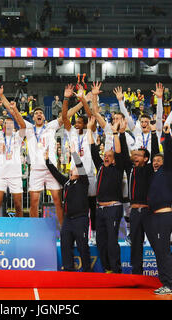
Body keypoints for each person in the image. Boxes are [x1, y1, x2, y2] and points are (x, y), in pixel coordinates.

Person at [23, 90, 82, 225]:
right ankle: (34, 230)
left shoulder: (50, 126)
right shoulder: (29, 128)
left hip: (51, 170)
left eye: (41, 113)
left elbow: (67, 115)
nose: (39, 114)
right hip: (36, 170)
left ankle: (63, 231)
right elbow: (15, 115)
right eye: (36, 113)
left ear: (44, 117)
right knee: (33, 202)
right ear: (33, 118)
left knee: (57, 201)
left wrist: (80, 103)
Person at [88, 116, 127, 274]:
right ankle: (108, 269)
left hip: (113, 208)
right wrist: (90, 130)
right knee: (101, 241)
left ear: (114, 160)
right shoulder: (101, 167)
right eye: (105, 155)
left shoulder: (118, 168)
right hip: (100, 210)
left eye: (109, 156)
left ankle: (116, 270)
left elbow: (119, 152)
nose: (105, 157)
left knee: (112, 241)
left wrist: (116, 134)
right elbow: (92, 150)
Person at [122, 121, 160, 275]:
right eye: (135, 154)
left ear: (146, 159)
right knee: (135, 245)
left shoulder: (150, 169)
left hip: (148, 212)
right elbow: (124, 153)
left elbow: (156, 151)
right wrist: (121, 134)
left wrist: (152, 133)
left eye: (139, 155)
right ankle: (136, 273)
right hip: (135, 213)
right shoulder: (130, 169)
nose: (135, 156)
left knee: (158, 244)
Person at [45, 143, 91, 272]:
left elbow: (81, 167)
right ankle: (68, 269)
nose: (73, 170)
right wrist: (47, 160)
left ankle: (87, 271)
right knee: (65, 244)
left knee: (82, 246)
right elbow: (55, 173)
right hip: (68, 220)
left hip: (80, 219)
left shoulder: (83, 182)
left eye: (75, 168)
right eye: (72, 168)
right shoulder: (66, 182)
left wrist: (74, 154)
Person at [147, 125, 172, 295]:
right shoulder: (153, 175)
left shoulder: (167, 170)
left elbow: (167, 152)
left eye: (158, 160)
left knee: (162, 251)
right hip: (154, 218)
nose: (155, 162)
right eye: (154, 160)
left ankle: (169, 285)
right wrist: (153, 133)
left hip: (163, 216)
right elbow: (153, 152)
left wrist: (166, 135)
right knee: (161, 250)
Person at [63, 83, 97, 244]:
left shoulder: (91, 131)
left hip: (89, 173)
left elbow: (91, 115)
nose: (76, 124)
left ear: (85, 123)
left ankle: (94, 234)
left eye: (79, 122)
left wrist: (84, 100)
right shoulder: (72, 133)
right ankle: (79, 235)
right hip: (75, 173)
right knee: (78, 206)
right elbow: (64, 117)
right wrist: (66, 99)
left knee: (91, 205)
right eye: (75, 122)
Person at [0, 83, 26, 217]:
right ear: (4, 126)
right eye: (6, 124)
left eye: (11, 123)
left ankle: (20, 230)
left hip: (15, 175)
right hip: (1, 174)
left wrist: (15, 111)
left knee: (18, 205)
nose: (9, 125)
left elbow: (22, 125)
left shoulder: (18, 136)